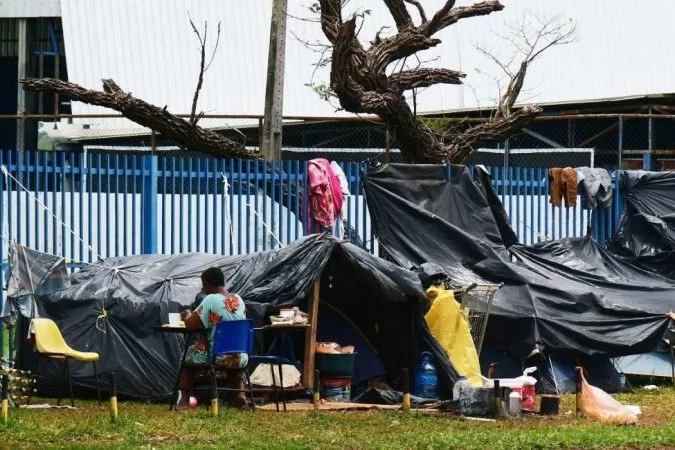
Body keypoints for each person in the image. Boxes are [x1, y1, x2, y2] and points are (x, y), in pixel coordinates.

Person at [176, 267, 248, 409]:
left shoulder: (210, 299)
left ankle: (184, 401)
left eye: (203, 285)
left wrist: (186, 315)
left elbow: (190, 326)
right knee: (232, 352)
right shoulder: (238, 299)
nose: (203, 289)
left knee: (187, 357)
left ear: (207, 284)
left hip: (218, 355)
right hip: (240, 356)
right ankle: (240, 394)